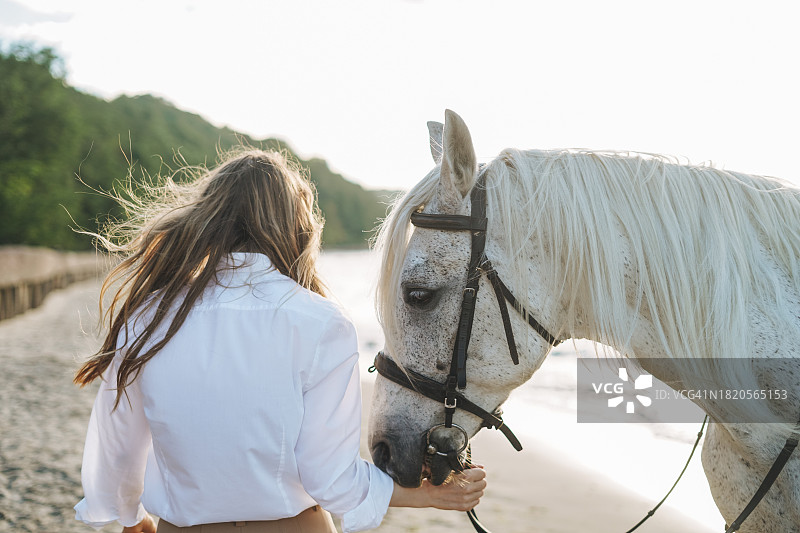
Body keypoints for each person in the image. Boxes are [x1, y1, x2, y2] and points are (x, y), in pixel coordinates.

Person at [73, 149, 486, 533]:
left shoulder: (151, 316)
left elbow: (118, 447)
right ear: (296, 225)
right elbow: (330, 478)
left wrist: (131, 518)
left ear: (207, 216)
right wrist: (430, 495)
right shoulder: (321, 323)